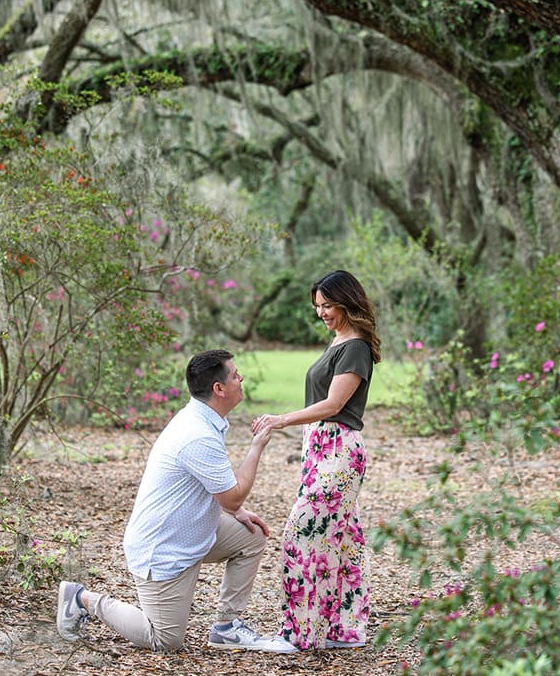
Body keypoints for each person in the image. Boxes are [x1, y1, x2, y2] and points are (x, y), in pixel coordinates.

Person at [55, 349, 296, 654]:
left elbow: (216, 493)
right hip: (164, 548)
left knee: (251, 536)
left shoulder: (203, 419)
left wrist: (237, 511)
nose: (241, 378)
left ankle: (227, 628)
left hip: (192, 531)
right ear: (218, 389)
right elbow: (233, 495)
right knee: (164, 640)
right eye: (235, 375)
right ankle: (82, 599)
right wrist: (257, 447)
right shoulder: (198, 434)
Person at [251, 270, 380, 650]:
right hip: (321, 450)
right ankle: (343, 629)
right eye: (317, 307)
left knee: (302, 533)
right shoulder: (338, 341)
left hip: (338, 450)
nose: (321, 312)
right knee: (342, 538)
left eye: (327, 305)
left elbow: (334, 404)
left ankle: (299, 634)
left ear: (346, 302)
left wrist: (282, 419)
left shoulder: (354, 346)